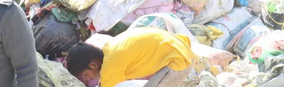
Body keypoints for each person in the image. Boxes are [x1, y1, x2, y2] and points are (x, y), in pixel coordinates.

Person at [67, 28, 195, 87]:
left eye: (86, 76)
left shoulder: (111, 64)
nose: (89, 80)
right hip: (180, 50)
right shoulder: (109, 49)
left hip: (177, 61)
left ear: (93, 65)